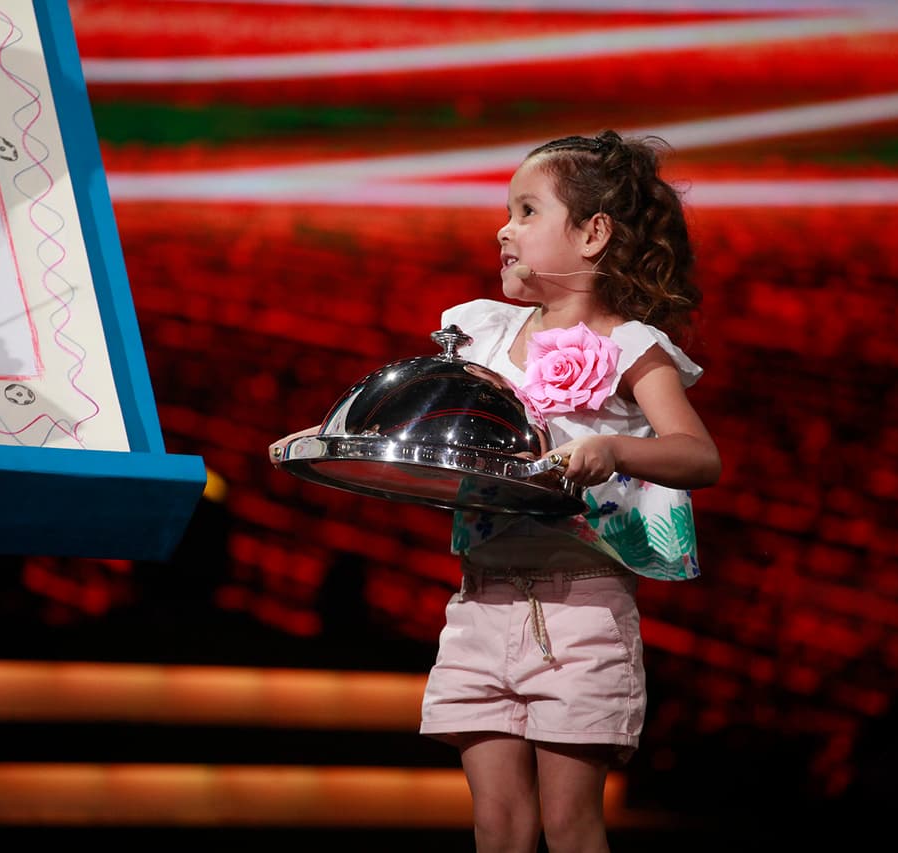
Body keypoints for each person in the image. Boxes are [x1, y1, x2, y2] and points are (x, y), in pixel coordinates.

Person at [269, 129, 720, 852]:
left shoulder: (633, 346)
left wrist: (612, 447)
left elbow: (698, 455)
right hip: (481, 603)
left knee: (571, 825)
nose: (502, 229)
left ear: (593, 232)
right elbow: (421, 420)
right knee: (499, 825)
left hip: (580, 612)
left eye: (527, 211)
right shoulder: (480, 333)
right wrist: (325, 440)